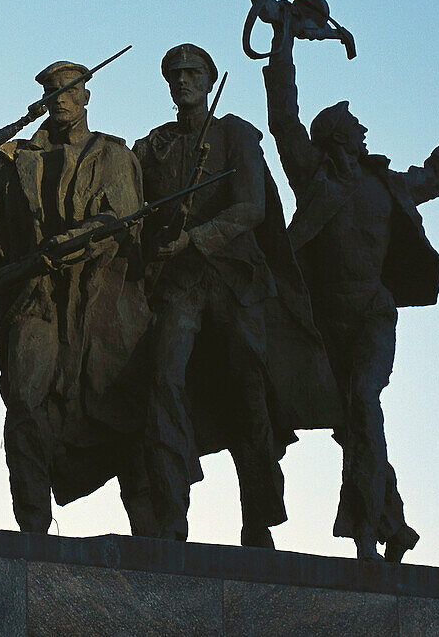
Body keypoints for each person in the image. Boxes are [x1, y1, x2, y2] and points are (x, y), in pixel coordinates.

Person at [261, 17, 439, 561]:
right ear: (336, 138)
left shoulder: (386, 185)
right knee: (354, 422)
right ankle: (395, 522)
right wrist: (284, 40)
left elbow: (434, 176)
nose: (365, 132)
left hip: (372, 315)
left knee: (363, 404)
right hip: (321, 325)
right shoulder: (315, 180)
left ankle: (364, 528)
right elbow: (283, 119)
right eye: (356, 127)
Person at [133, 44, 336, 545]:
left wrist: (195, 238)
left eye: (192, 72)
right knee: (163, 378)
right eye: (175, 74)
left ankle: (259, 518)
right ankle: (170, 514)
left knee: (249, 390)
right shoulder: (151, 145)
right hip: (179, 285)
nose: (183, 81)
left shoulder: (236, 134)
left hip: (234, 280)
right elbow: (136, 209)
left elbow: (252, 209)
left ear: (209, 78)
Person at [0, 61, 152, 533]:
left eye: (69, 90)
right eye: (52, 91)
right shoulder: (15, 159)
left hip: (99, 300)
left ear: (85, 98)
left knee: (123, 408)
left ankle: (151, 530)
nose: (60, 97)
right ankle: (33, 527)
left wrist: (82, 236)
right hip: (34, 299)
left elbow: (124, 218)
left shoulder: (112, 155)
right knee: (24, 405)